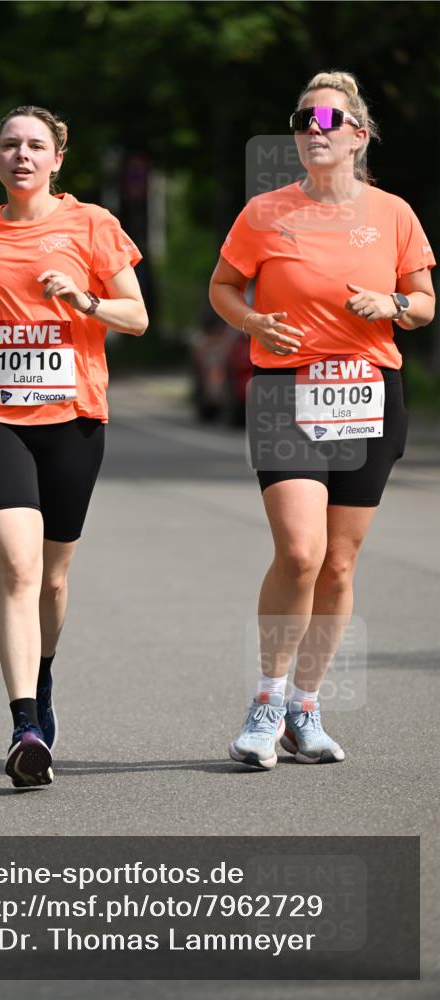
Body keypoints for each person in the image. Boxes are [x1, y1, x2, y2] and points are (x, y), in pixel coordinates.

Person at [209, 70, 435, 769]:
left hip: (368, 393)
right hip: (285, 395)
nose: (312, 129)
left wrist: (390, 306)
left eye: (327, 121)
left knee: (338, 564)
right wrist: (251, 321)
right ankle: (266, 700)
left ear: (357, 137)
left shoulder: (392, 213)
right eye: (302, 119)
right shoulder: (263, 213)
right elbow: (221, 288)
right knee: (301, 552)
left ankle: (306, 708)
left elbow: (423, 302)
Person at [0, 105, 147, 788]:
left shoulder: (92, 225)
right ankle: (23, 726)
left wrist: (84, 301)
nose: (23, 155)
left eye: (36, 146)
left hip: (74, 416)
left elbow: (134, 316)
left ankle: (41, 682)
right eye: (10, 145)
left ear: (56, 160)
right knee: (17, 568)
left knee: (51, 576)